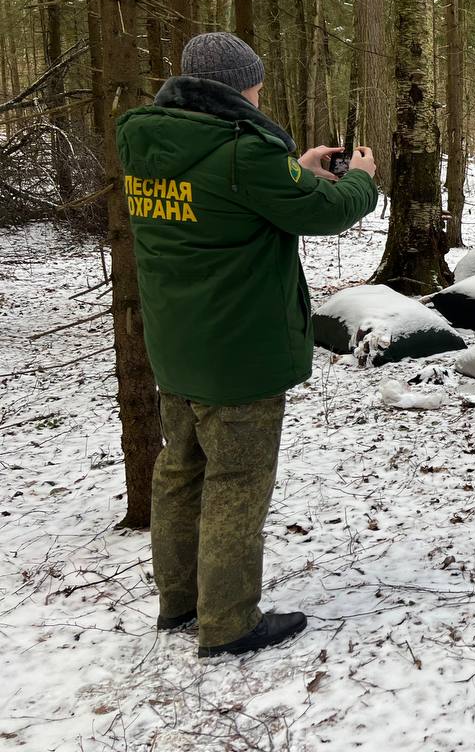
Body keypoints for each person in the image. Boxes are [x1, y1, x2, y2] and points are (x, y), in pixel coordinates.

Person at [116, 32, 378, 658]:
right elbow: (322, 212)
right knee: (237, 477)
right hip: (237, 349)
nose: (262, 94)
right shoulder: (242, 151)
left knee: (180, 472)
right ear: (238, 87)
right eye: (256, 84)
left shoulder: (150, 141)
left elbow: (241, 198)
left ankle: (179, 603)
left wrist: (296, 169)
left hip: (176, 344)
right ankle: (229, 622)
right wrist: (361, 180)